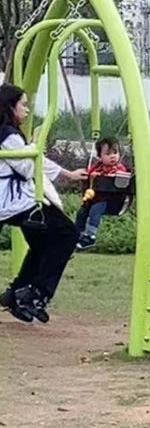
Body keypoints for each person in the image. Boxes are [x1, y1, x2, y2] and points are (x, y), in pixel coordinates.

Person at [0, 84, 87, 324]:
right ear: (10, 106)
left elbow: (35, 160)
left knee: (41, 243)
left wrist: (68, 174)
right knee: (68, 234)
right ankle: (36, 292)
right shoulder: (8, 135)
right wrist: (36, 146)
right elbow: (28, 167)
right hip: (18, 201)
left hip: (15, 201)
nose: (27, 110)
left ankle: (16, 293)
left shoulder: (11, 135)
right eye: (23, 105)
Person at [75, 136, 128, 250]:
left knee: (95, 210)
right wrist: (90, 175)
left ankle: (90, 236)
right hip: (95, 199)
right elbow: (90, 173)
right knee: (82, 212)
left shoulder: (119, 168)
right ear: (100, 157)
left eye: (115, 152)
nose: (113, 156)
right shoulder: (97, 167)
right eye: (108, 154)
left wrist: (108, 176)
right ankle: (78, 235)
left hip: (113, 201)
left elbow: (120, 175)